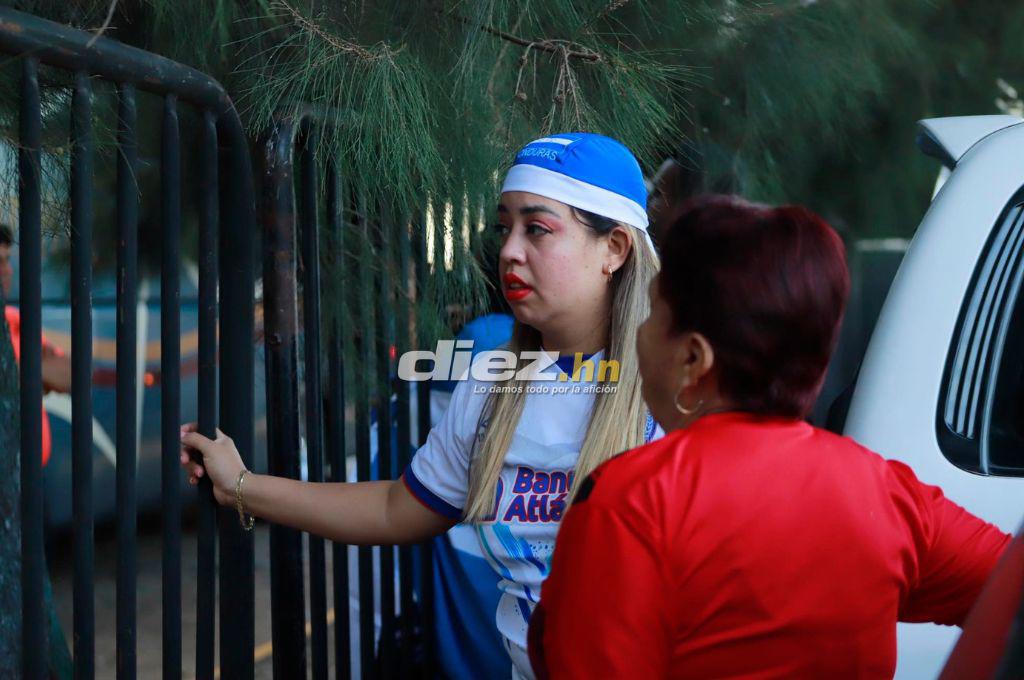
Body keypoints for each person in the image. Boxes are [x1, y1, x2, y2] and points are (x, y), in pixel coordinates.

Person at [180, 132, 662, 678]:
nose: (508, 249)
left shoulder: (672, 391)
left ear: (615, 249)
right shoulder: (488, 386)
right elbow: (395, 509)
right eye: (505, 227)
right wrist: (240, 484)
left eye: (538, 228)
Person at [529, 195, 1012, 679]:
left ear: (694, 359)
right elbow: (1011, 593)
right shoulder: (888, 495)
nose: (640, 333)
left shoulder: (632, 500)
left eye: (653, 312)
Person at [1, 223, 72, 467]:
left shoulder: (14, 320)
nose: (7, 270)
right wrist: (37, 372)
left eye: (7, 260)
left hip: (28, 481)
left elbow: (71, 375)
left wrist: (20, 374)